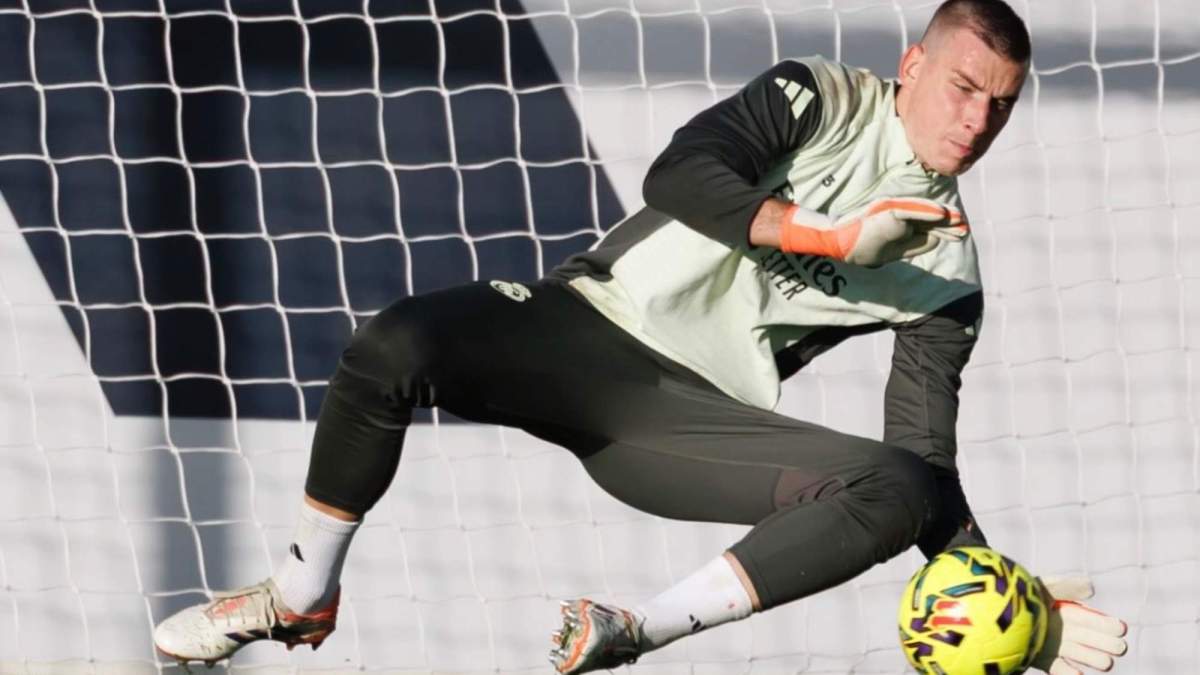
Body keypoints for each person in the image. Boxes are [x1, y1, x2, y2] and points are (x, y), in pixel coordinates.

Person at [152, 1, 1129, 673]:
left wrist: (1002, 603)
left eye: (1001, 102)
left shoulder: (949, 277)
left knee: (900, 485)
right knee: (392, 346)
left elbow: (923, 458)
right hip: (581, 324)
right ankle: (299, 592)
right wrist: (824, 236)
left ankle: (631, 632)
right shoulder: (822, 100)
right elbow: (682, 175)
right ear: (913, 65)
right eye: (963, 85)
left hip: (677, 421)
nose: (979, 119)